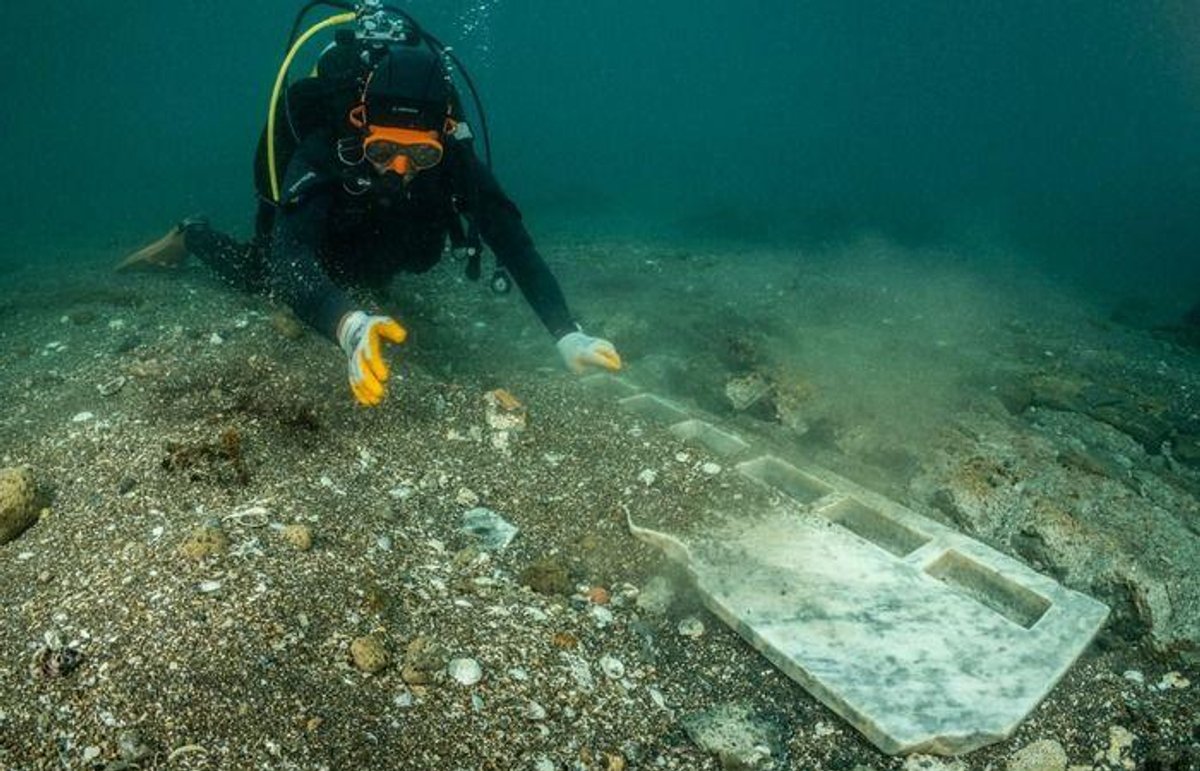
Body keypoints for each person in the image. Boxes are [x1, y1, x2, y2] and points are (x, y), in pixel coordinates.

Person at [118, 12, 620, 406]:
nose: (400, 168)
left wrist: (566, 332)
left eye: (420, 155)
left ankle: (354, 277)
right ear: (361, 124)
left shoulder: (454, 155)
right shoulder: (324, 144)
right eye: (384, 151)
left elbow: (510, 237)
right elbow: (291, 260)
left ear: (441, 138)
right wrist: (347, 325)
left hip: (373, 228)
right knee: (262, 275)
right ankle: (193, 234)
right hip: (326, 217)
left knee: (393, 260)